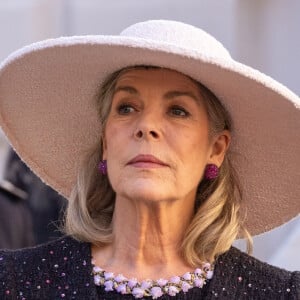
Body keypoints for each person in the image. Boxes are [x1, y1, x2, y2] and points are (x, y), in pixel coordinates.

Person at [0, 20, 299, 299]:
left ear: (216, 149)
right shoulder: (13, 281)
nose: (147, 126)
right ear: (106, 143)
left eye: (178, 111)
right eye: (127, 108)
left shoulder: (279, 293)